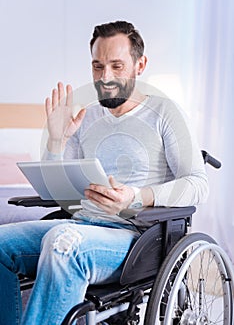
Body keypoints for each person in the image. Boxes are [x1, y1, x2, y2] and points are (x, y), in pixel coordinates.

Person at [0, 21, 209, 325]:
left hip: (135, 237)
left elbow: (198, 184)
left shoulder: (166, 113)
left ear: (140, 65)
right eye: (97, 66)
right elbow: (57, 188)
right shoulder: (87, 117)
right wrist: (57, 140)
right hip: (80, 224)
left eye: (116, 65)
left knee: (62, 242)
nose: (105, 77)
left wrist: (136, 197)